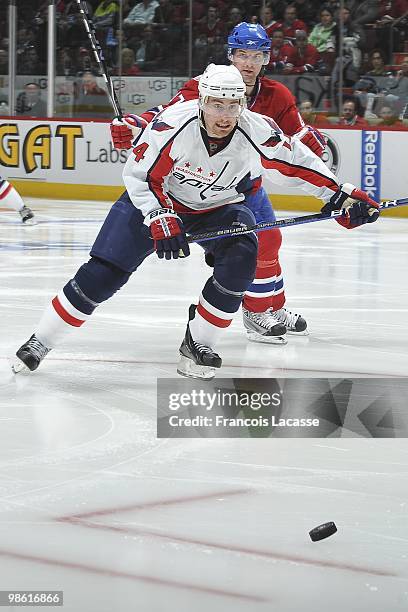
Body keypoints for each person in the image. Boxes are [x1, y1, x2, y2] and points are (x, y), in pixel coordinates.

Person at [13, 65, 379, 380]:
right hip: (158, 202)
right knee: (103, 273)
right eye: (217, 104)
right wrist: (160, 216)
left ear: (242, 104)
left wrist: (344, 195)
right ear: (201, 101)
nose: (224, 114)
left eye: (233, 105)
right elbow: (141, 177)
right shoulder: (171, 124)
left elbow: (298, 164)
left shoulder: (257, 129)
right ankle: (41, 340)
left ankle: (199, 341)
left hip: (219, 208)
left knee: (242, 257)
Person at [110, 23, 328, 345]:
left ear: (267, 59)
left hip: (245, 186)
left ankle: (273, 306)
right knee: (256, 244)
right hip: (205, 189)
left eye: (257, 55)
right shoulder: (205, 86)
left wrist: (314, 147)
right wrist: (135, 124)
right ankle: (255, 313)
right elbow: (165, 115)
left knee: (270, 241)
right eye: (242, 54)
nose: (249, 63)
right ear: (231, 56)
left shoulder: (277, 95)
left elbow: (296, 135)